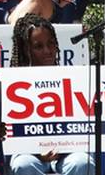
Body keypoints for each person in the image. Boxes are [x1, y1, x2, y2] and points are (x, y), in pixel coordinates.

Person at [8, 14, 93, 175]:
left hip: (69, 151)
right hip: (28, 152)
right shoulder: (12, 83)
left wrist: (64, 146)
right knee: (23, 165)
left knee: (82, 163)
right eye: (38, 46)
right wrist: (35, 150)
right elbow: (10, 133)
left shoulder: (74, 79)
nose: (47, 51)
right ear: (25, 50)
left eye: (51, 44)